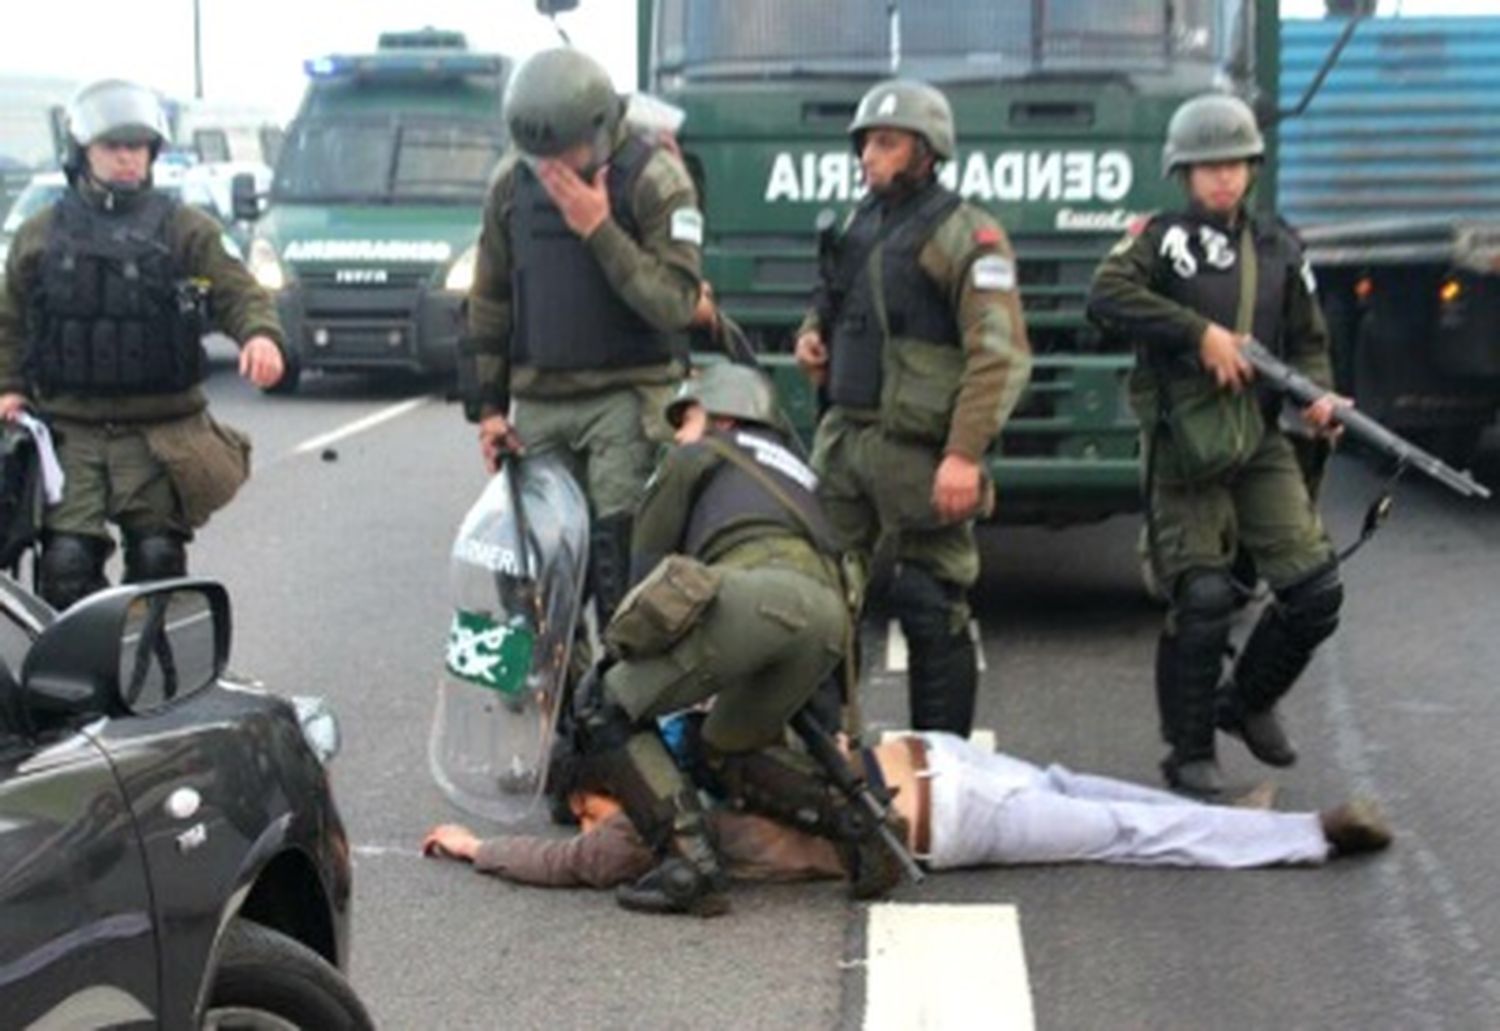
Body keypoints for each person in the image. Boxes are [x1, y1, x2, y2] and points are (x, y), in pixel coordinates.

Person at [567, 362, 904, 917]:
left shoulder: (695, 457)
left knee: (605, 705)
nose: (678, 433)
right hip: (827, 619)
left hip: (755, 599)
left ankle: (688, 866)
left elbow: (646, 575)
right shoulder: (799, 470)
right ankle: (862, 827)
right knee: (725, 746)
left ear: (723, 414)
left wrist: (620, 662)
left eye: (688, 417)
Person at [1087, 93, 1348, 797]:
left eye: (1233, 164)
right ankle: (1189, 750)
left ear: (1251, 169)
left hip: (1260, 434)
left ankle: (1248, 698)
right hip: (1186, 440)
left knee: (1315, 589)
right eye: (1206, 167)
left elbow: (1308, 341)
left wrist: (1319, 399)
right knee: (1201, 595)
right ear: (1183, 173)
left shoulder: (1279, 247)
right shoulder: (1157, 238)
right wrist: (1197, 334)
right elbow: (1106, 296)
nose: (1222, 178)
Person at [794, 79, 1032, 737]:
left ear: (927, 152)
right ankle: (825, 763)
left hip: (920, 450)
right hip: (845, 442)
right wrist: (814, 332)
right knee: (818, 603)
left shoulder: (965, 234)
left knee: (931, 603)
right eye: (866, 141)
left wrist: (963, 454)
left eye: (887, 142)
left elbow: (1000, 356)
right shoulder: (859, 218)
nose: (870, 154)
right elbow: (837, 297)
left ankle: (943, 771)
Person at [422, 730, 1392, 888]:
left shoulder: (644, 818)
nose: (588, 824)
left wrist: (476, 847)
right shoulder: (688, 736)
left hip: (942, 819)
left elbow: (575, 865)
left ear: (597, 789)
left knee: (1136, 833)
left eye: (582, 806)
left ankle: (1301, 834)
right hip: (927, 752)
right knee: (1089, 791)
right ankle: (1267, 824)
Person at [0, 79, 285, 610]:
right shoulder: (42, 232)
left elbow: (238, 290)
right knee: (65, 564)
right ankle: (76, 684)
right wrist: (9, 387)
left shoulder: (185, 229)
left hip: (160, 431)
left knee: (158, 560)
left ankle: (156, 676)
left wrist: (261, 336)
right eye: (113, 147)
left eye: (137, 147)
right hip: (70, 431)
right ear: (84, 152)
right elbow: (9, 318)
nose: (127, 159)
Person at [463, 47, 704, 620]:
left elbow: (676, 302)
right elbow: (490, 299)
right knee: (534, 577)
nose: (554, 169)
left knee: (619, 564)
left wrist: (599, 230)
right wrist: (490, 408)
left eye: (564, 152)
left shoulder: (655, 178)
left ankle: (623, 700)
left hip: (627, 395)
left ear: (599, 127)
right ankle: (562, 703)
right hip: (542, 402)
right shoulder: (511, 184)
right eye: (539, 155)